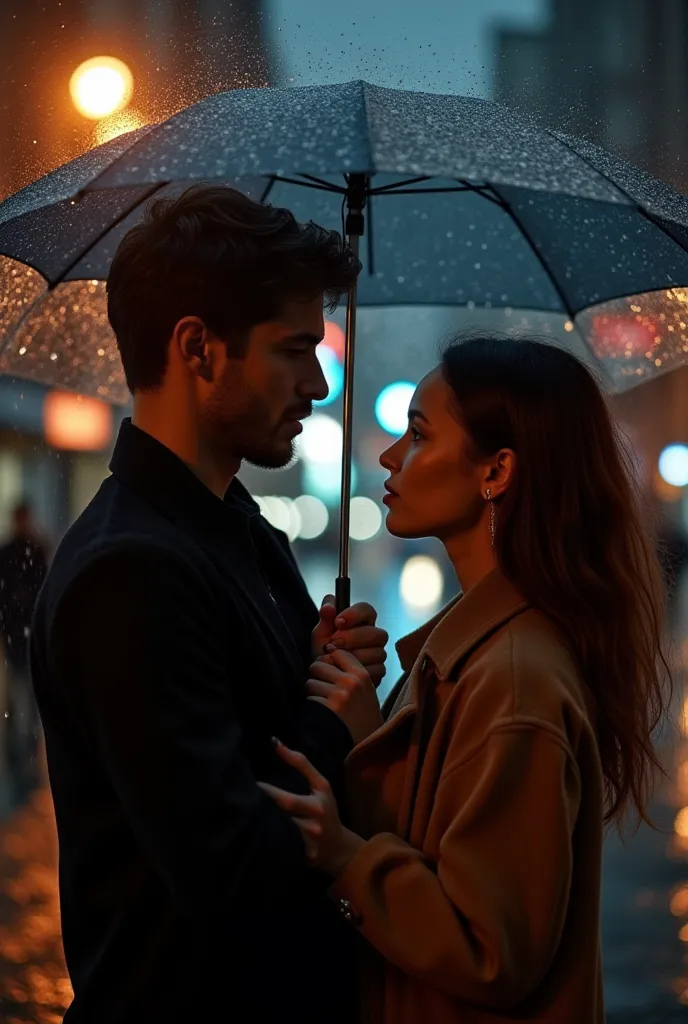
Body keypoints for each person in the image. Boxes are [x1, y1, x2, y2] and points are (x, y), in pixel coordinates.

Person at [29, 185, 388, 1024]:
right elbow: (232, 872)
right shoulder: (133, 571)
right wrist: (332, 716)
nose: (318, 381)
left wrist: (321, 663)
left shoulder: (236, 529)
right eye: (294, 349)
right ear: (198, 348)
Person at [260, 336, 672, 1024]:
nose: (391, 456)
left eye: (417, 434)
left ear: (497, 470)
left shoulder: (514, 682)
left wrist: (341, 854)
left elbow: (490, 950)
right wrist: (371, 732)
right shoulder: (480, 651)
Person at [0, 500, 48, 802]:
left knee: (23, 694)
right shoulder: (28, 551)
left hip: (20, 634)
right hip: (22, 635)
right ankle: (23, 749)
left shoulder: (24, 551)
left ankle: (23, 749)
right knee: (24, 694)